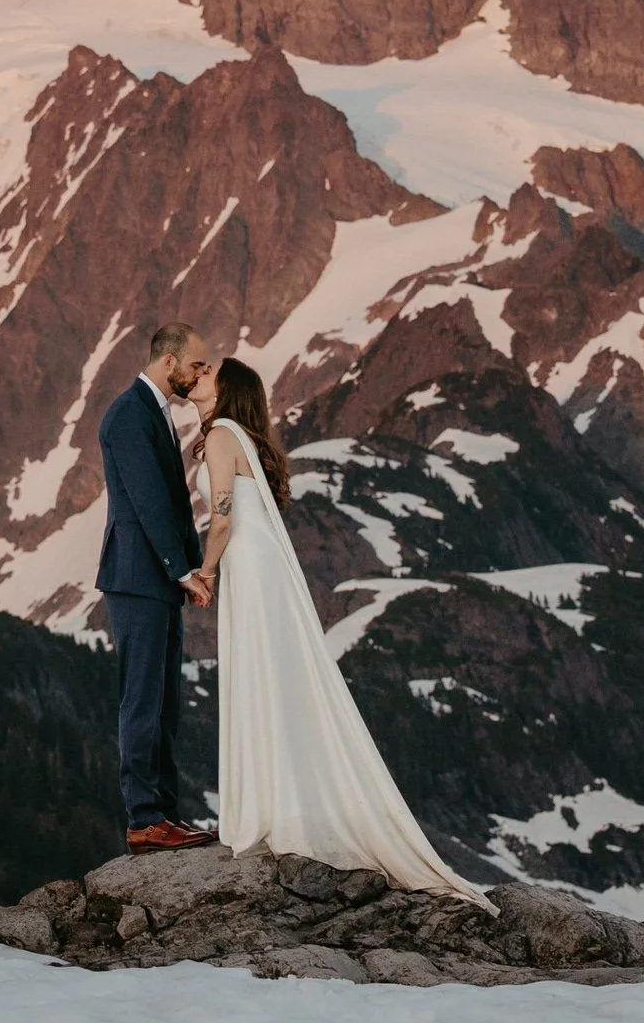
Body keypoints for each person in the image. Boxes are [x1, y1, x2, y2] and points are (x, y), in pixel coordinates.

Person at [184, 356, 491, 904]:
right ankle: (277, 803)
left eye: (209, 374)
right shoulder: (240, 436)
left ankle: (263, 806)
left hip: (248, 566)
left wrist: (204, 573)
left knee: (256, 675)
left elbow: (223, 517)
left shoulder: (223, 435)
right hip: (260, 565)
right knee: (270, 675)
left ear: (225, 391)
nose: (199, 376)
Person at [95, 321, 219, 852]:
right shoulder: (129, 415)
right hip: (139, 579)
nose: (201, 374)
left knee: (164, 703)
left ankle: (164, 812)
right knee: (142, 700)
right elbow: (149, 501)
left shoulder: (154, 413)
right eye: (196, 365)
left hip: (155, 581)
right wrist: (182, 569)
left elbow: (171, 503)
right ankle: (144, 818)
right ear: (168, 362)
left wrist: (188, 568)